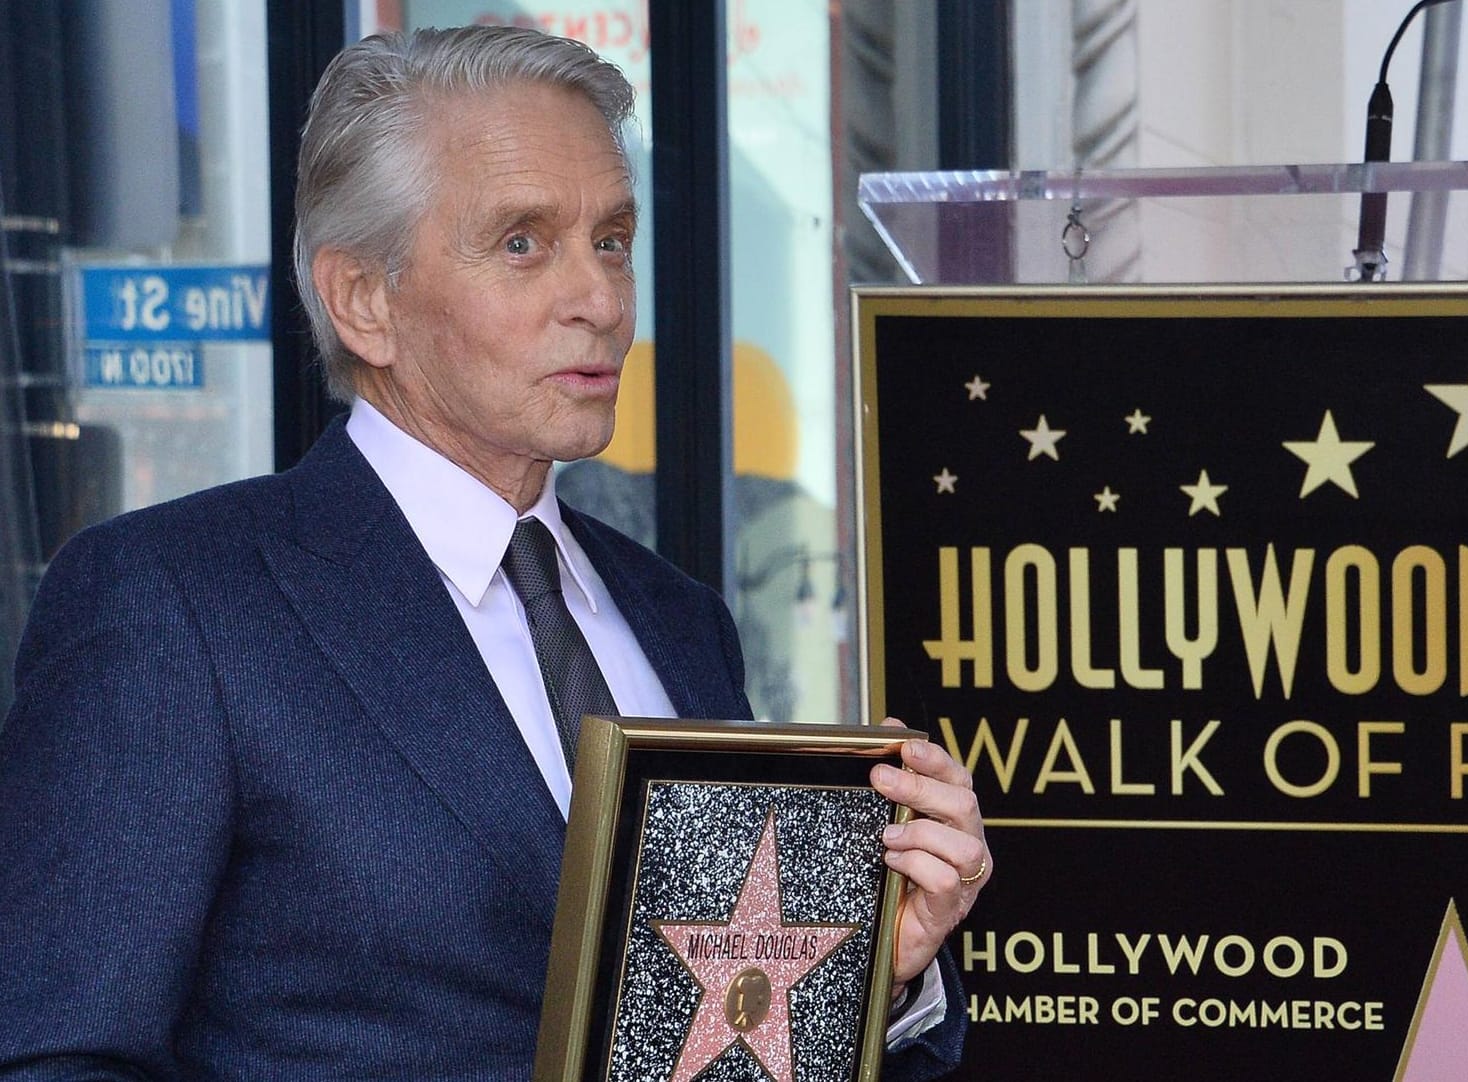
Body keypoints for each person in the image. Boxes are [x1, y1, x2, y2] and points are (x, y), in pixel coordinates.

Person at [0, 25, 990, 1080]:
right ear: (362, 300)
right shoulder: (173, 603)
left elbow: (713, 1042)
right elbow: (58, 1054)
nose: (601, 300)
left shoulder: (677, 616)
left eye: (611, 239)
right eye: (523, 242)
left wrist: (874, 978)